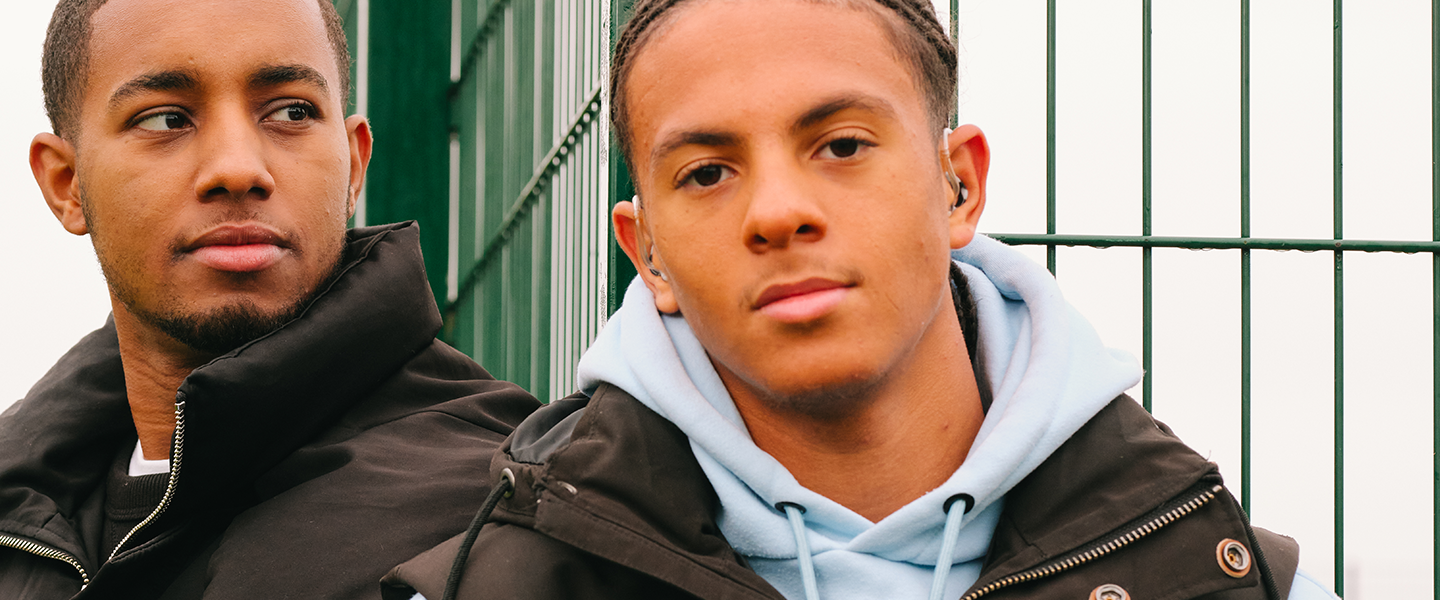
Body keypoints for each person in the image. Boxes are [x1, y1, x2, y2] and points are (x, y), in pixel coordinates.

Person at [383, 0, 1336, 599]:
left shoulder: (1236, 578)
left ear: (957, 185)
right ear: (649, 256)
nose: (779, 212)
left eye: (840, 145)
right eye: (709, 171)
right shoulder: (491, 585)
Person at [0, 0, 539, 598]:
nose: (238, 168)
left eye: (291, 111)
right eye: (167, 119)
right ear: (66, 183)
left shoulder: (498, 512)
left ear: (354, 162)